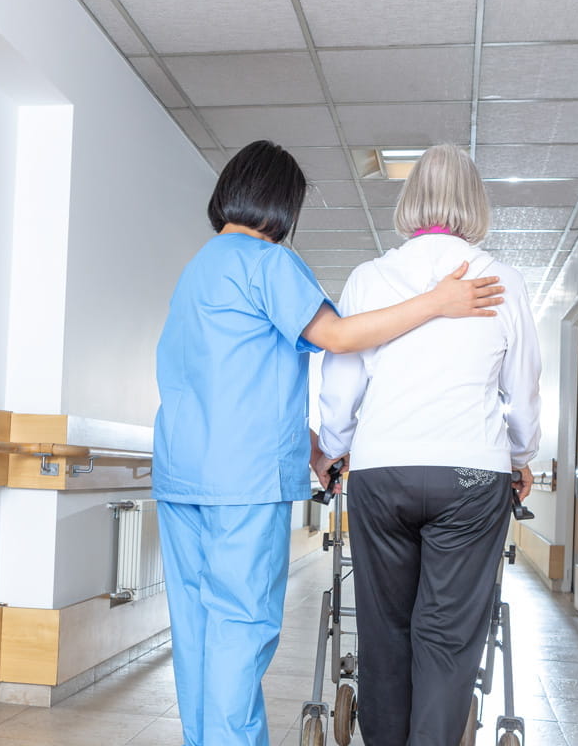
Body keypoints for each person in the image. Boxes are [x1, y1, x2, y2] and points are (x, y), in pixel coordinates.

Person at [152, 140, 506, 746]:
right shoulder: (267, 262)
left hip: (181, 475)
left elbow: (228, 385)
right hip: (243, 486)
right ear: (282, 205)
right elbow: (339, 337)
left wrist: (316, 447)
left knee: (197, 632)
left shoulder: (199, 269)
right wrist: (438, 302)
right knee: (240, 629)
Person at [315, 143, 542, 746]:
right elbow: (522, 389)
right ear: (476, 203)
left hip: (382, 470)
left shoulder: (369, 277)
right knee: (446, 638)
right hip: (472, 474)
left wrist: (335, 446)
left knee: (385, 629)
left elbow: (341, 381)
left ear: (411, 200)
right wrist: (521, 457)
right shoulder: (504, 280)